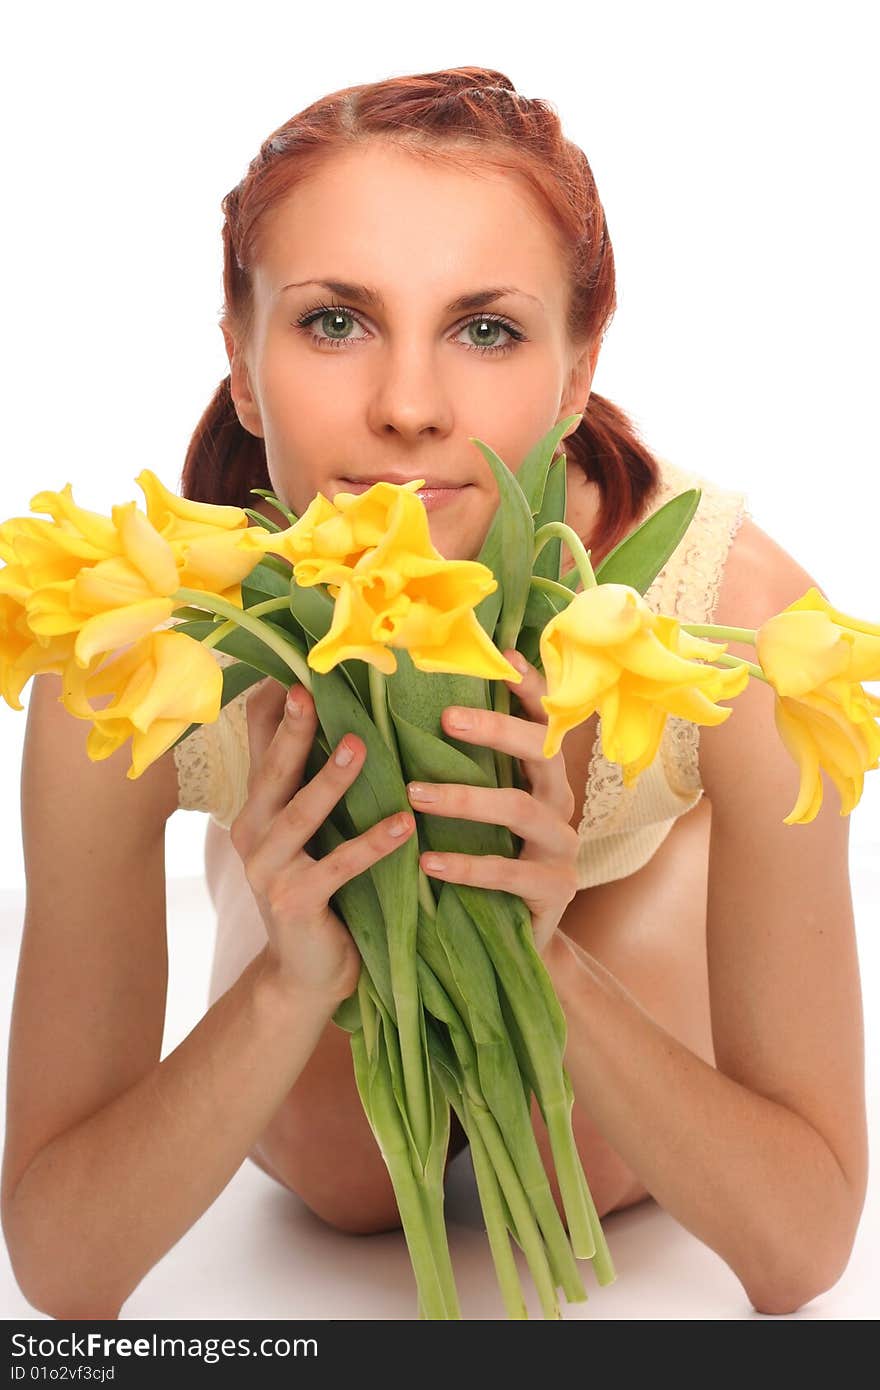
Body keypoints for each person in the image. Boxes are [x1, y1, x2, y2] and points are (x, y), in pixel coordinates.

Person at [1, 66, 867, 1321]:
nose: (408, 409)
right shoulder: (125, 659)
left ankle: (627, 898)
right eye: (334, 322)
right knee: (341, 1169)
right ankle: (279, 909)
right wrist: (286, 989)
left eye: (486, 328)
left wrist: (545, 955)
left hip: (611, 909)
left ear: (577, 373)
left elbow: (803, 1254)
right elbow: (61, 1271)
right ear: (242, 364)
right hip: (319, 972)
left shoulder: (736, 623)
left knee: (576, 1154)